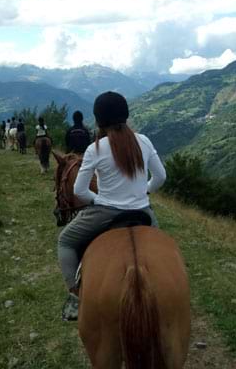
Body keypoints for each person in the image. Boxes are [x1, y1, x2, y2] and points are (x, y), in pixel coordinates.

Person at [57, 91, 166, 319]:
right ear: (126, 115)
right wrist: (143, 191)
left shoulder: (94, 148)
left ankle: (76, 296)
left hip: (105, 211)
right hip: (143, 211)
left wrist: (97, 200)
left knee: (65, 241)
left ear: (98, 120)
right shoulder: (144, 141)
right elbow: (160, 177)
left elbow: (79, 190)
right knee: (163, 251)